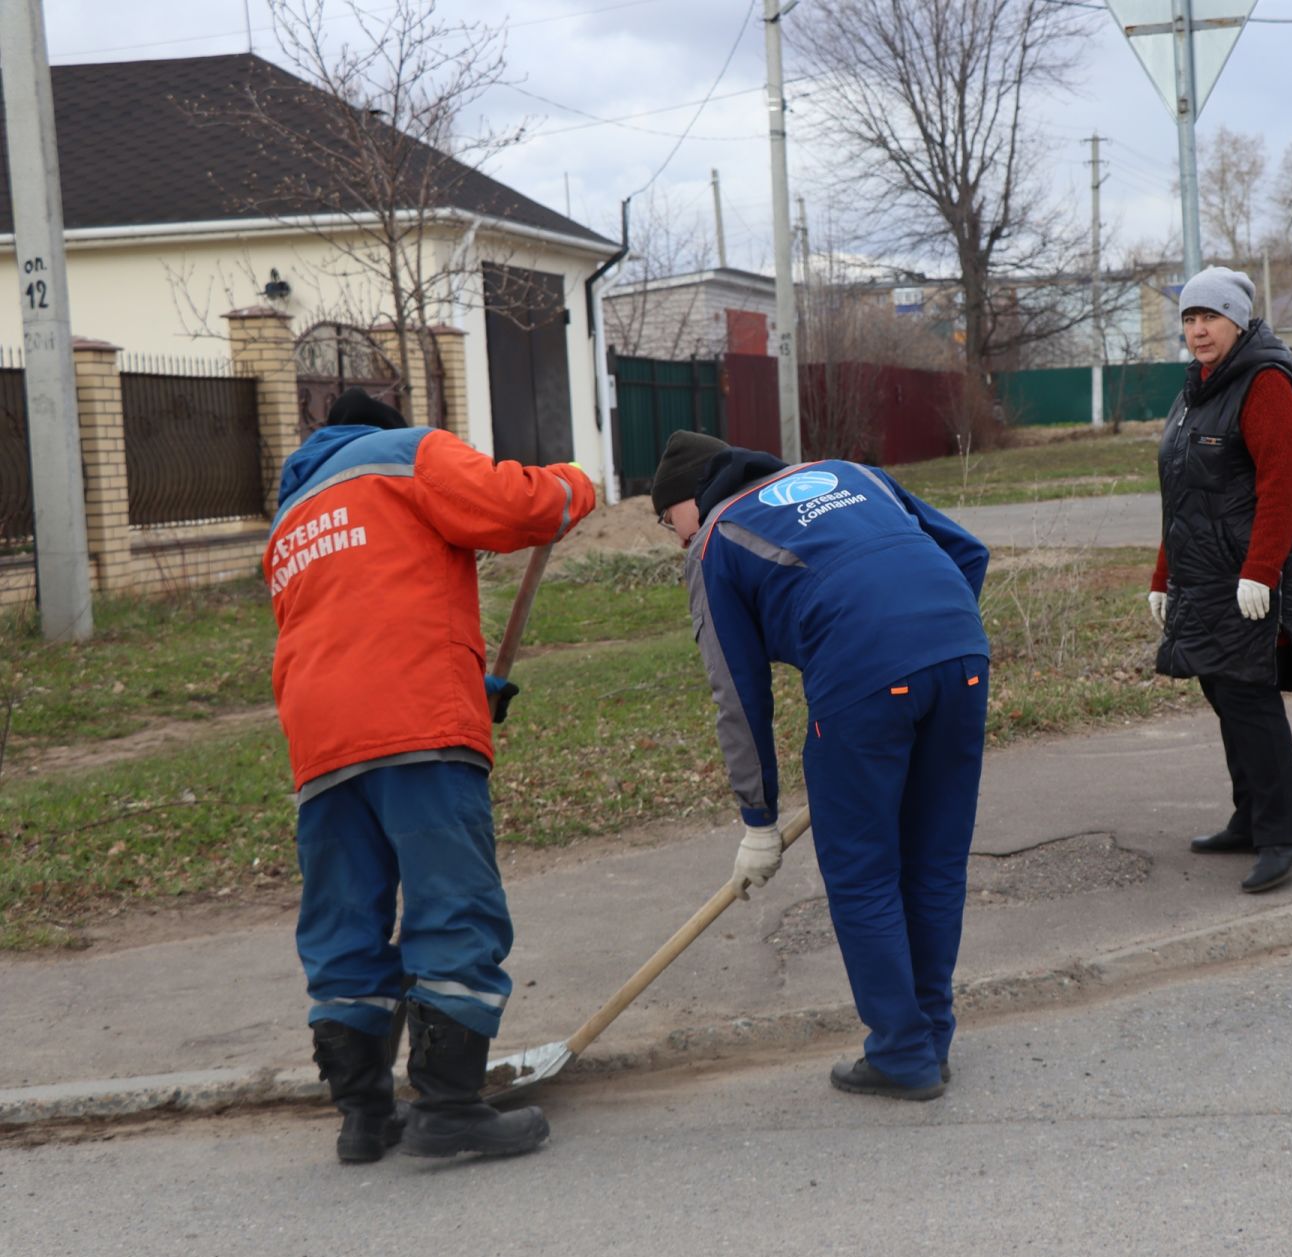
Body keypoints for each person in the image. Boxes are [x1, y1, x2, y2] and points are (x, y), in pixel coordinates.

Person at [268, 388, 595, 1161]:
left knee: (344, 923)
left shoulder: (292, 516)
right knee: (453, 908)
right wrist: (575, 484)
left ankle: (362, 1118)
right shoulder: (408, 453)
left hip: (321, 739)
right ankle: (449, 1107)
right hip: (415, 728)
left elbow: (359, 620)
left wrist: (469, 689)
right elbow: (519, 509)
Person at [651, 430, 991, 1101]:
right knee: (934, 863)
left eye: (668, 521)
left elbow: (738, 696)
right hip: (962, 658)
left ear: (689, 500)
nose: (675, 539)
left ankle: (902, 1053)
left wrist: (758, 818)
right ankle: (931, 1040)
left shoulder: (719, 536)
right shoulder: (850, 473)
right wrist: (926, 649)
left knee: (865, 876)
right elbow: (967, 552)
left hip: (866, 680)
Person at [1149, 266, 1292, 895]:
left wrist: (1262, 570)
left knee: (1250, 699)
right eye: (1189, 319)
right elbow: (1182, 494)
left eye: (1209, 317)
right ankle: (1250, 818)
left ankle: (1284, 836)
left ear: (1239, 320)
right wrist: (1162, 575)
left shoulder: (1265, 383)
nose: (1197, 330)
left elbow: (1284, 488)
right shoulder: (1197, 387)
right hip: (1204, 577)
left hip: (1248, 580)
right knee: (1225, 695)